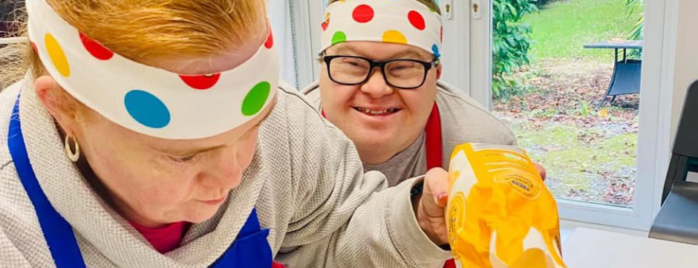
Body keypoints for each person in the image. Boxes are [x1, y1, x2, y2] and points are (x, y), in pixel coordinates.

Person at [0, 0, 454, 267]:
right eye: (184, 156)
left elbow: (333, 235)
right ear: (62, 108)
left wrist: (417, 223)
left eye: (251, 129)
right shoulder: (12, 229)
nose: (233, 175)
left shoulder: (288, 130)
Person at [303, 1, 545, 266]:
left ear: (436, 74)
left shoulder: (485, 145)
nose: (377, 88)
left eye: (404, 66)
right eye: (351, 63)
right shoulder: (281, 142)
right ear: (322, 67)